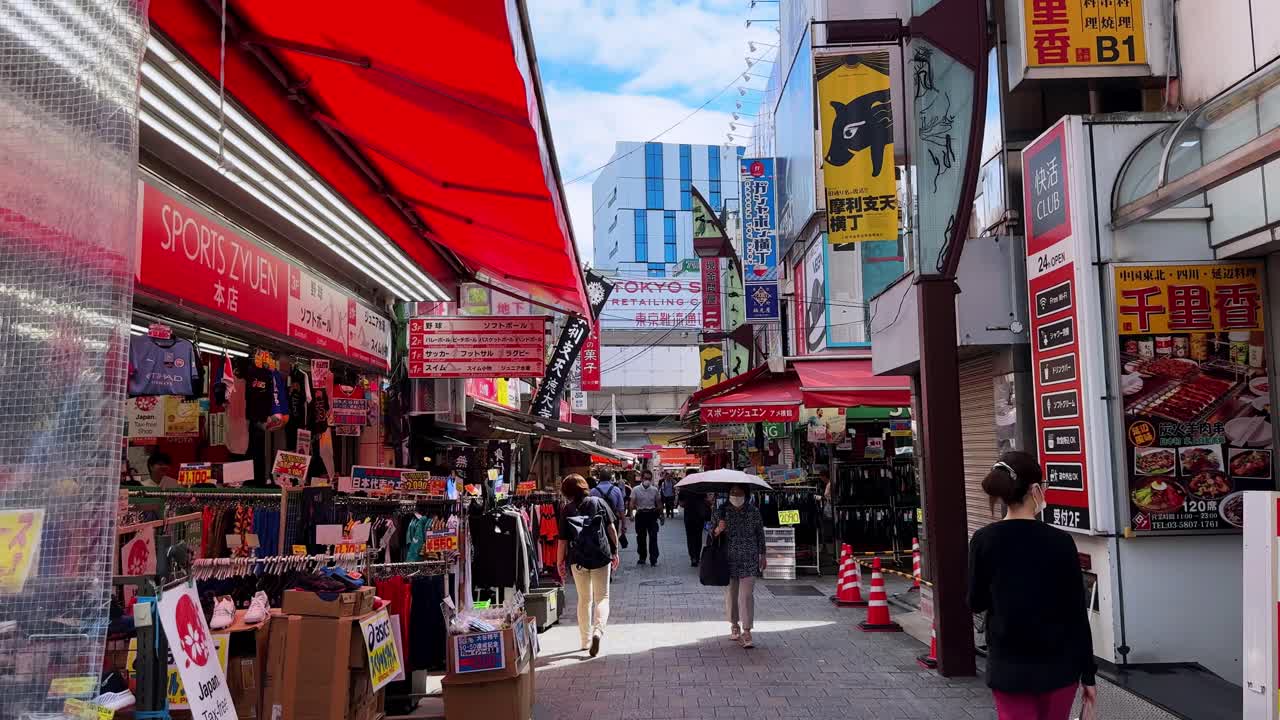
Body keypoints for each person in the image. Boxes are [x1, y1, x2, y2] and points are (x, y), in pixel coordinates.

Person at [969, 451, 1097, 720]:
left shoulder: (984, 540)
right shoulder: (1060, 541)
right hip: (1059, 667)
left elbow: (975, 601)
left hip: (1008, 665)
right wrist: (1088, 674)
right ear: (1036, 489)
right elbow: (1076, 613)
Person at [557, 474, 620, 657]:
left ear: (566, 491)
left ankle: (584, 641)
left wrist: (560, 562)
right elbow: (611, 529)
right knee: (602, 598)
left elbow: (562, 541)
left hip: (578, 559)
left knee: (584, 600)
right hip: (601, 556)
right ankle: (598, 632)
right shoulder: (598, 502)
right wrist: (615, 551)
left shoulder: (566, 509)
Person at [712, 485, 766, 648]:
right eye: (733, 493)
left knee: (747, 595)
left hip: (749, 558)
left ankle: (747, 630)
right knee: (731, 594)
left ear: (746, 495)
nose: (736, 496)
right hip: (728, 559)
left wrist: (763, 554)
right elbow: (710, 534)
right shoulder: (721, 511)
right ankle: (734, 624)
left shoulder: (754, 512)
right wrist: (718, 529)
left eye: (739, 493)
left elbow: (760, 534)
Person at [631, 470, 662, 566]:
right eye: (645, 478)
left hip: (652, 515)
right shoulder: (635, 489)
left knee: (653, 537)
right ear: (641, 478)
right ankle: (642, 557)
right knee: (641, 538)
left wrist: (661, 515)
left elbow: (659, 503)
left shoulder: (654, 490)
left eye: (649, 479)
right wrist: (631, 514)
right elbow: (632, 502)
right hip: (640, 515)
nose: (647, 480)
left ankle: (653, 558)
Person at [590, 470, 627, 549]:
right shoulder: (616, 490)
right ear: (610, 478)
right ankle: (613, 557)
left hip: (598, 521)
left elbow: (590, 508)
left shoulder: (593, 491)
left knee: (600, 544)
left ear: (599, 478)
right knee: (613, 543)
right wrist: (624, 525)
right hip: (613, 520)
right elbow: (621, 509)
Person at [679, 488, 708, 566]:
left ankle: (693, 557)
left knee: (690, 537)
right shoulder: (700, 488)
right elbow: (706, 500)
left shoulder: (683, 489)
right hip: (699, 516)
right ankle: (697, 556)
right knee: (698, 536)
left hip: (689, 517)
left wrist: (687, 503)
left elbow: (681, 504)